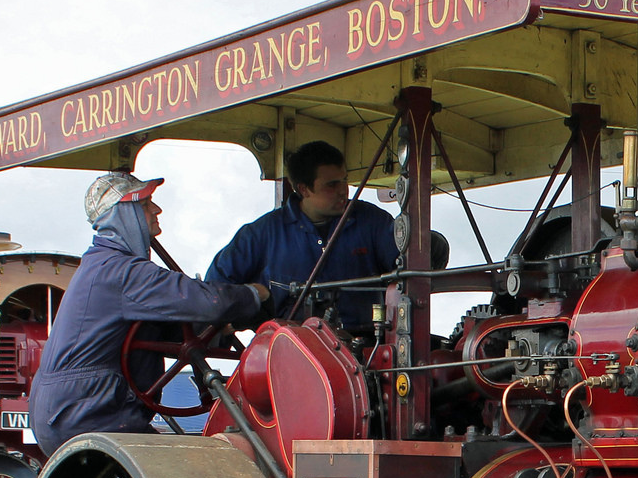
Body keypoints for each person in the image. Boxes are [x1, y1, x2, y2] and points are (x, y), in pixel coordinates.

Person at [29, 173, 266, 456]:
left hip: (71, 411)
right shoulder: (122, 272)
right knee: (191, 467)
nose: (157, 210)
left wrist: (214, 332)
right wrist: (255, 294)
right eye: (146, 204)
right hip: (87, 414)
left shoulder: (103, 266)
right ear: (124, 216)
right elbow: (209, 301)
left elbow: (162, 334)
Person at [205, 140, 400, 327]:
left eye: (344, 180)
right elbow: (215, 290)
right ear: (304, 189)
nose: (343, 190)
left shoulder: (372, 221)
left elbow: (406, 265)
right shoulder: (262, 234)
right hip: (288, 344)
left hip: (367, 342)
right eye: (332, 185)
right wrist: (250, 307)